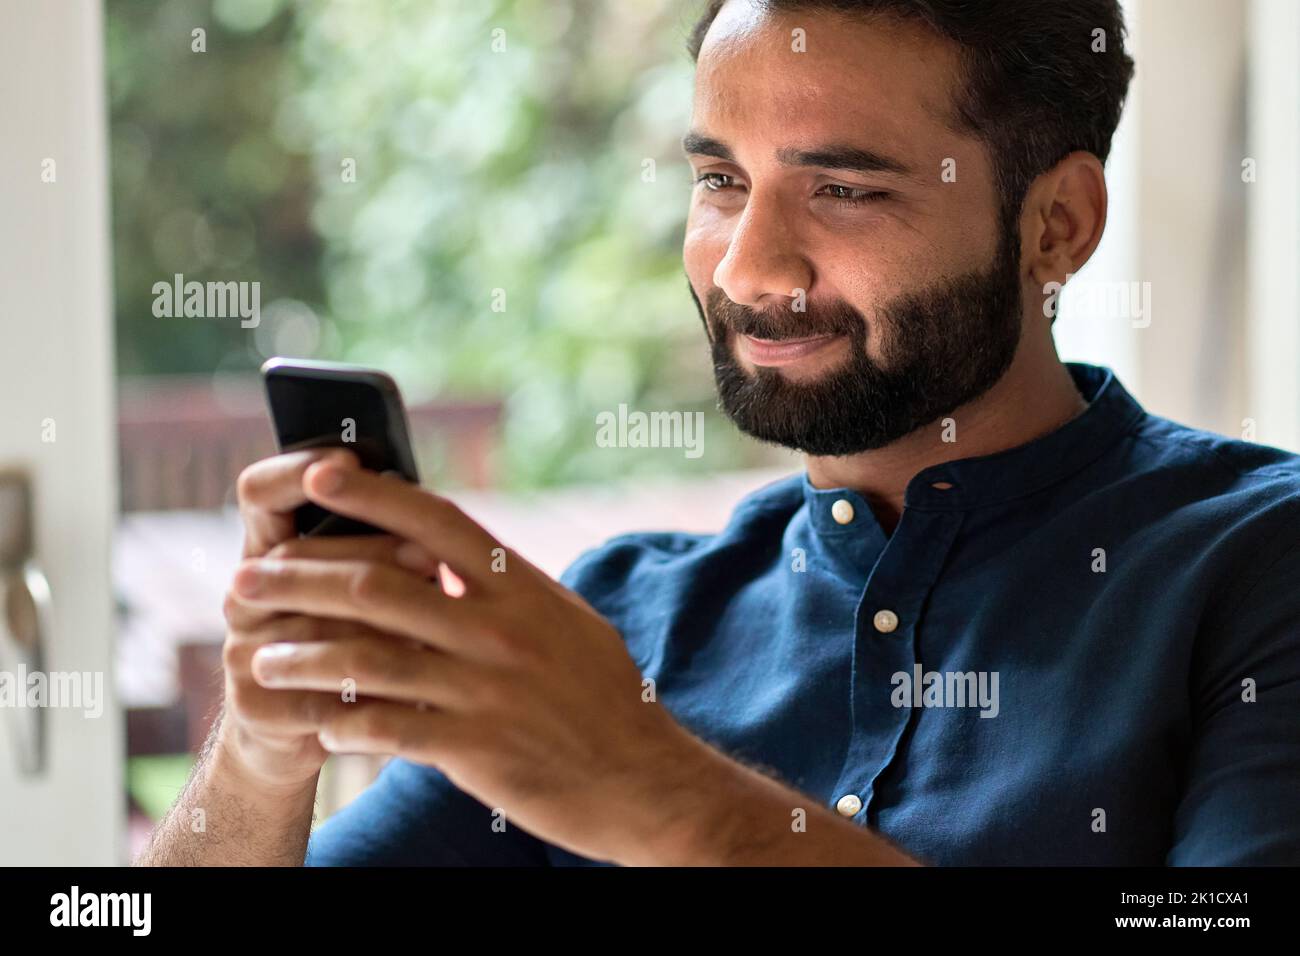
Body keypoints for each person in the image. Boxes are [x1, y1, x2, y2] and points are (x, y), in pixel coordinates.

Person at [137, 0, 1300, 866]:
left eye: (843, 190)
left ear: (1057, 224)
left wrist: (669, 798)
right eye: (719, 180)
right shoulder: (622, 621)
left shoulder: (1256, 567)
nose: (748, 267)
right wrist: (259, 748)